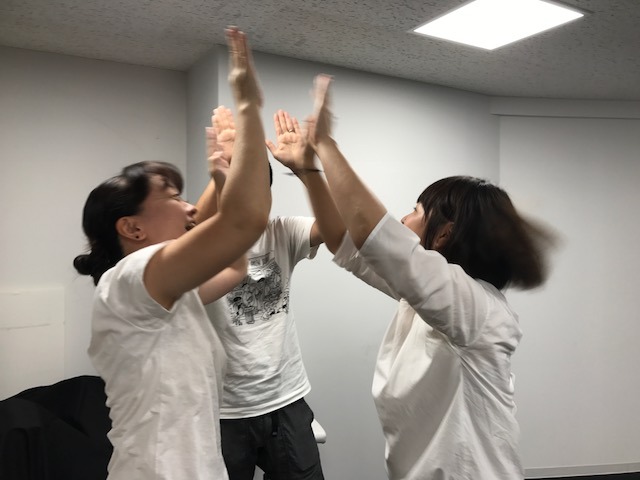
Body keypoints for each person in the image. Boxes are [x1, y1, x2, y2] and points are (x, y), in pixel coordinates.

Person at [306, 75, 554, 479]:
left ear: (444, 234)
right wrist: (307, 170)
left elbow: (379, 236)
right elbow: (345, 242)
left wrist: (326, 145)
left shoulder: (473, 306)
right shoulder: (429, 300)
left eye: (416, 210)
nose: (404, 219)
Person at [72, 27, 271, 480]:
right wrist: (248, 109)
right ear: (132, 227)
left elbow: (234, 262)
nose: (189, 208)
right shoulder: (131, 279)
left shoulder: (168, 295)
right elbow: (244, 222)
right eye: (174, 197)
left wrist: (223, 172)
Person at [201, 106, 344, 480]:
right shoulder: (198, 242)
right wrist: (226, 164)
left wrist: (306, 170)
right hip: (222, 410)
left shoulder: (282, 231)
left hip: (285, 399)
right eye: (235, 186)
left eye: (255, 188)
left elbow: (338, 227)